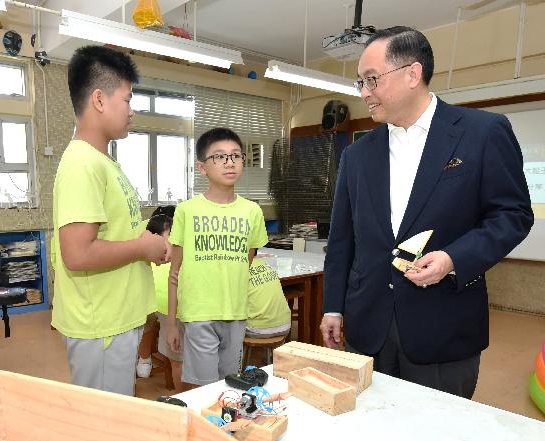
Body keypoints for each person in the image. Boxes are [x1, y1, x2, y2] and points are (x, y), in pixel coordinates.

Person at [321, 26, 534, 398]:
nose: (364, 93)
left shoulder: (482, 133)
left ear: (412, 74)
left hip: (443, 327)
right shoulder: (356, 155)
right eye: (360, 83)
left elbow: (512, 215)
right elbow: (342, 239)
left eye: (371, 80)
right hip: (368, 325)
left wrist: (454, 258)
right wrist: (333, 307)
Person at [51, 45, 170, 395]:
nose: (131, 112)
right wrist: (141, 247)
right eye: (128, 100)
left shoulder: (103, 163)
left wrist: (149, 244)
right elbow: (77, 254)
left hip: (116, 317)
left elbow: (114, 233)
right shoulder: (82, 165)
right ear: (100, 100)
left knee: (114, 417)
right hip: (101, 323)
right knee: (103, 428)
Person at [166, 128, 268, 387]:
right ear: (202, 167)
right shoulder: (187, 211)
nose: (230, 162)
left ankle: (223, 427)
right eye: (220, 157)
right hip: (198, 312)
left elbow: (246, 261)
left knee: (229, 385)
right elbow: (175, 271)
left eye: (236, 155)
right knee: (203, 388)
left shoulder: (252, 211)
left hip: (235, 311)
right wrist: (171, 323)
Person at [136, 207, 185, 390]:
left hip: (165, 305)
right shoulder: (167, 245)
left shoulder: (148, 231)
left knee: (177, 357)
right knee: (178, 356)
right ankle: (145, 358)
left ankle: (144, 359)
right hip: (166, 305)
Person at [247, 256, 291, 339]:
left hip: (257, 329)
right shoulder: (265, 264)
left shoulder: (240, 267)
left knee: (225, 323)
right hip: (285, 325)